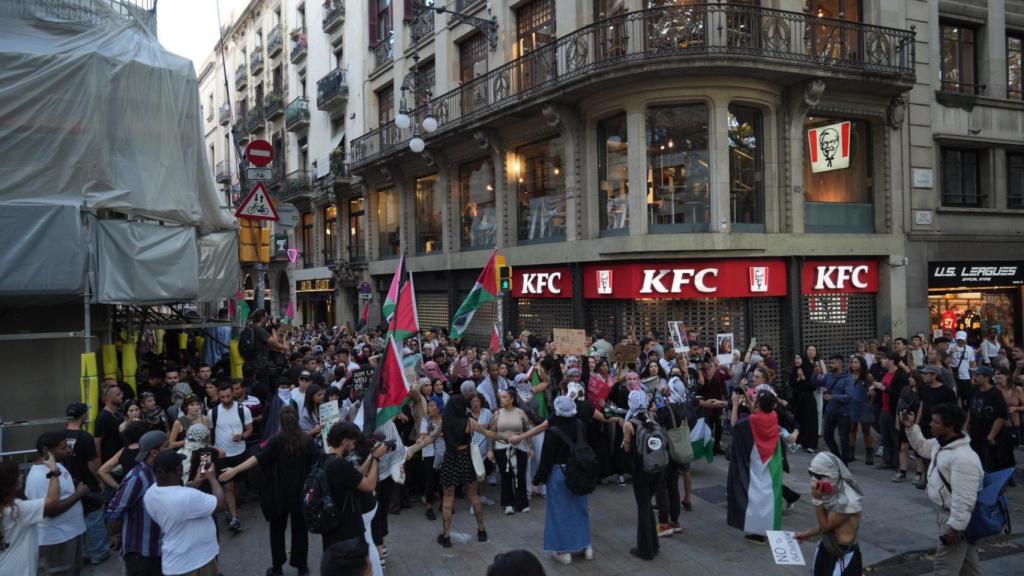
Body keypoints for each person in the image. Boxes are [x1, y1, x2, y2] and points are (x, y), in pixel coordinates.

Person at [220, 407, 320, 576]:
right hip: (301, 493)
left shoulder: (276, 441)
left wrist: (235, 470)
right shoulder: (306, 440)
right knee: (300, 531)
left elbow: (257, 459)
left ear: (280, 422)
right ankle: (301, 566)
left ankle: (277, 567)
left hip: (278, 494)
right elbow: (319, 460)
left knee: (276, 531)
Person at [902, 404, 984, 576]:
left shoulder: (963, 458)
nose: (931, 424)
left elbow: (965, 497)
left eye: (936, 422)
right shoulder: (940, 444)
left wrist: (956, 527)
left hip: (954, 519)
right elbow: (922, 447)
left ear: (950, 426)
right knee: (969, 568)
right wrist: (911, 427)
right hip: (950, 516)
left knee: (944, 568)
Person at [143, 450, 225, 576]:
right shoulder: (187, 497)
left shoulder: (150, 493)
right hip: (196, 563)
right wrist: (212, 478)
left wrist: (196, 482)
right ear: (178, 470)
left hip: (174, 563)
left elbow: (180, 499)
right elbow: (220, 505)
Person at [532, 396, 593, 564]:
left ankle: (563, 551)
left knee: (559, 511)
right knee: (580, 509)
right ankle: (586, 546)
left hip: (559, 473)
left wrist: (537, 480)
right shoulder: (580, 425)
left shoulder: (553, 431)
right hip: (580, 471)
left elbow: (546, 459)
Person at [323, 423, 388, 576]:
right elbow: (369, 485)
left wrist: (370, 457)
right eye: (352, 443)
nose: (353, 447)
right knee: (361, 558)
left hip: (332, 522)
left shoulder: (327, 459)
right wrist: (376, 459)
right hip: (345, 525)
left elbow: (354, 476)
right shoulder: (340, 464)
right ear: (344, 441)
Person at [25, 432, 92, 576]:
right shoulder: (37, 478)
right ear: (48, 452)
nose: (68, 450)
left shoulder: (57, 466)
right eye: (63, 448)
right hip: (57, 540)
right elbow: (49, 511)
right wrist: (79, 494)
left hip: (72, 533)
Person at [104, 431, 166, 576]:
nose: (170, 449)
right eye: (166, 446)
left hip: (159, 548)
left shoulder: (158, 472)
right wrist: (118, 535)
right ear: (154, 452)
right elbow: (113, 512)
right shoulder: (137, 477)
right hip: (140, 554)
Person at [727, 390, 783, 543]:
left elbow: (735, 425)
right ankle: (765, 527)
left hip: (755, 461)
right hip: (769, 461)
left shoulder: (752, 420)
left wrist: (735, 405)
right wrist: (747, 397)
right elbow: (757, 414)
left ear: (758, 404)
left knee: (755, 495)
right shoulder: (773, 415)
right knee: (766, 495)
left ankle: (757, 531)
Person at [795, 453, 864, 575]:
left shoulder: (848, 501)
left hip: (842, 555)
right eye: (812, 475)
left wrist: (817, 500)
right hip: (827, 546)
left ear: (833, 475)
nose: (815, 481)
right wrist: (806, 534)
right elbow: (830, 523)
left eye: (819, 476)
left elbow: (826, 526)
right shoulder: (832, 494)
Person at [436, 393, 489, 548]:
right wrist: (505, 438)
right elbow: (487, 433)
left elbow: (431, 437)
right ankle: (482, 530)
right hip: (466, 458)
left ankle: (446, 536)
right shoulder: (469, 421)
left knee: (448, 498)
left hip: (450, 459)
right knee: (473, 495)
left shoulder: (444, 422)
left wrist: (412, 449)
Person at [0, 454, 64, 576]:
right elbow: (53, 500)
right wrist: (53, 470)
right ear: (11, 482)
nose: (21, 475)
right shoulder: (17, 509)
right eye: (18, 473)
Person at [62, 402, 107, 565]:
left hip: (68, 484)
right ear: (83, 416)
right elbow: (92, 464)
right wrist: (99, 481)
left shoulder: (61, 435)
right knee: (94, 517)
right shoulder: (85, 437)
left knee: (75, 518)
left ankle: (82, 554)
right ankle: (98, 553)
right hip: (87, 484)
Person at [621, 389, 660, 560]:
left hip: (641, 470)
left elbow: (627, 448)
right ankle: (654, 543)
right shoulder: (653, 417)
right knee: (647, 504)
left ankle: (646, 549)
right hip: (657, 467)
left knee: (643, 507)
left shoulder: (629, 424)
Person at [210, 382, 252, 532]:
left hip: (239, 453)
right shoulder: (213, 413)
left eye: (228, 396)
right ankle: (235, 518)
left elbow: (249, 430)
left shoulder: (243, 410)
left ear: (233, 393)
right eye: (222, 397)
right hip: (222, 456)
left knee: (237, 486)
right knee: (228, 486)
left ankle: (231, 508)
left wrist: (242, 436)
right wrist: (215, 449)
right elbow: (210, 434)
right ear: (218, 396)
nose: (226, 399)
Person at [491, 389, 531, 514]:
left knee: (520, 475)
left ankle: (522, 503)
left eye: (504, 397)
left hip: (520, 447)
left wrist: (530, 447)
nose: (501, 399)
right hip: (501, 448)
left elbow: (527, 430)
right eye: (501, 397)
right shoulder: (497, 413)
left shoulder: (520, 412)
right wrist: (490, 450)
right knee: (506, 475)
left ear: (512, 399)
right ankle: (508, 503)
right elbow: (493, 432)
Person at [965, 366, 1010, 472]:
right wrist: (966, 426)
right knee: (976, 462)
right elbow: (971, 409)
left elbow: (1001, 416)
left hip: (989, 434)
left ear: (987, 377)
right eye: (974, 375)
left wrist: (991, 435)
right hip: (975, 433)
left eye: (978, 375)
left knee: (990, 464)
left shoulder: (995, 393)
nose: (975, 377)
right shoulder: (975, 390)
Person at [820, 355, 854, 463]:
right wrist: (815, 373)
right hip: (830, 411)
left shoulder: (848, 378)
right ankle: (837, 457)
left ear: (840, 364)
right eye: (830, 363)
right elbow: (816, 383)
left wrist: (833, 397)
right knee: (827, 435)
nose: (830, 365)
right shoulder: (829, 375)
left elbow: (849, 396)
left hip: (843, 413)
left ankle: (844, 463)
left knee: (843, 438)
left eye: (833, 363)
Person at [846, 355, 875, 465]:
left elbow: (873, 392)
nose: (853, 364)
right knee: (852, 429)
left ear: (861, 364)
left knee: (866, 430)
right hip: (852, 406)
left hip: (864, 406)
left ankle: (869, 453)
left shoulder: (868, 376)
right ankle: (851, 452)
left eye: (856, 362)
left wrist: (870, 404)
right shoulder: (848, 376)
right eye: (852, 362)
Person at [790, 354, 819, 453]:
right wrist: (798, 378)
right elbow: (791, 384)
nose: (796, 360)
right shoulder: (794, 370)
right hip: (798, 400)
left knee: (810, 422)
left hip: (808, 400)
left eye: (798, 358)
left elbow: (813, 386)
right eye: (795, 358)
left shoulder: (809, 370)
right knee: (799, 420)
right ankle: (801, 442)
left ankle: (811, 445)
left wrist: (803, 378)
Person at [94, 386, 125, 465]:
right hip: (110, 459)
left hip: (121, 456)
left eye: (121, 393)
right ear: (108, 398)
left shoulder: (119, 412)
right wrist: (99, 463)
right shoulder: (102, 417)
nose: (121, 396)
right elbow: (97, 442)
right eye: (117, 394)